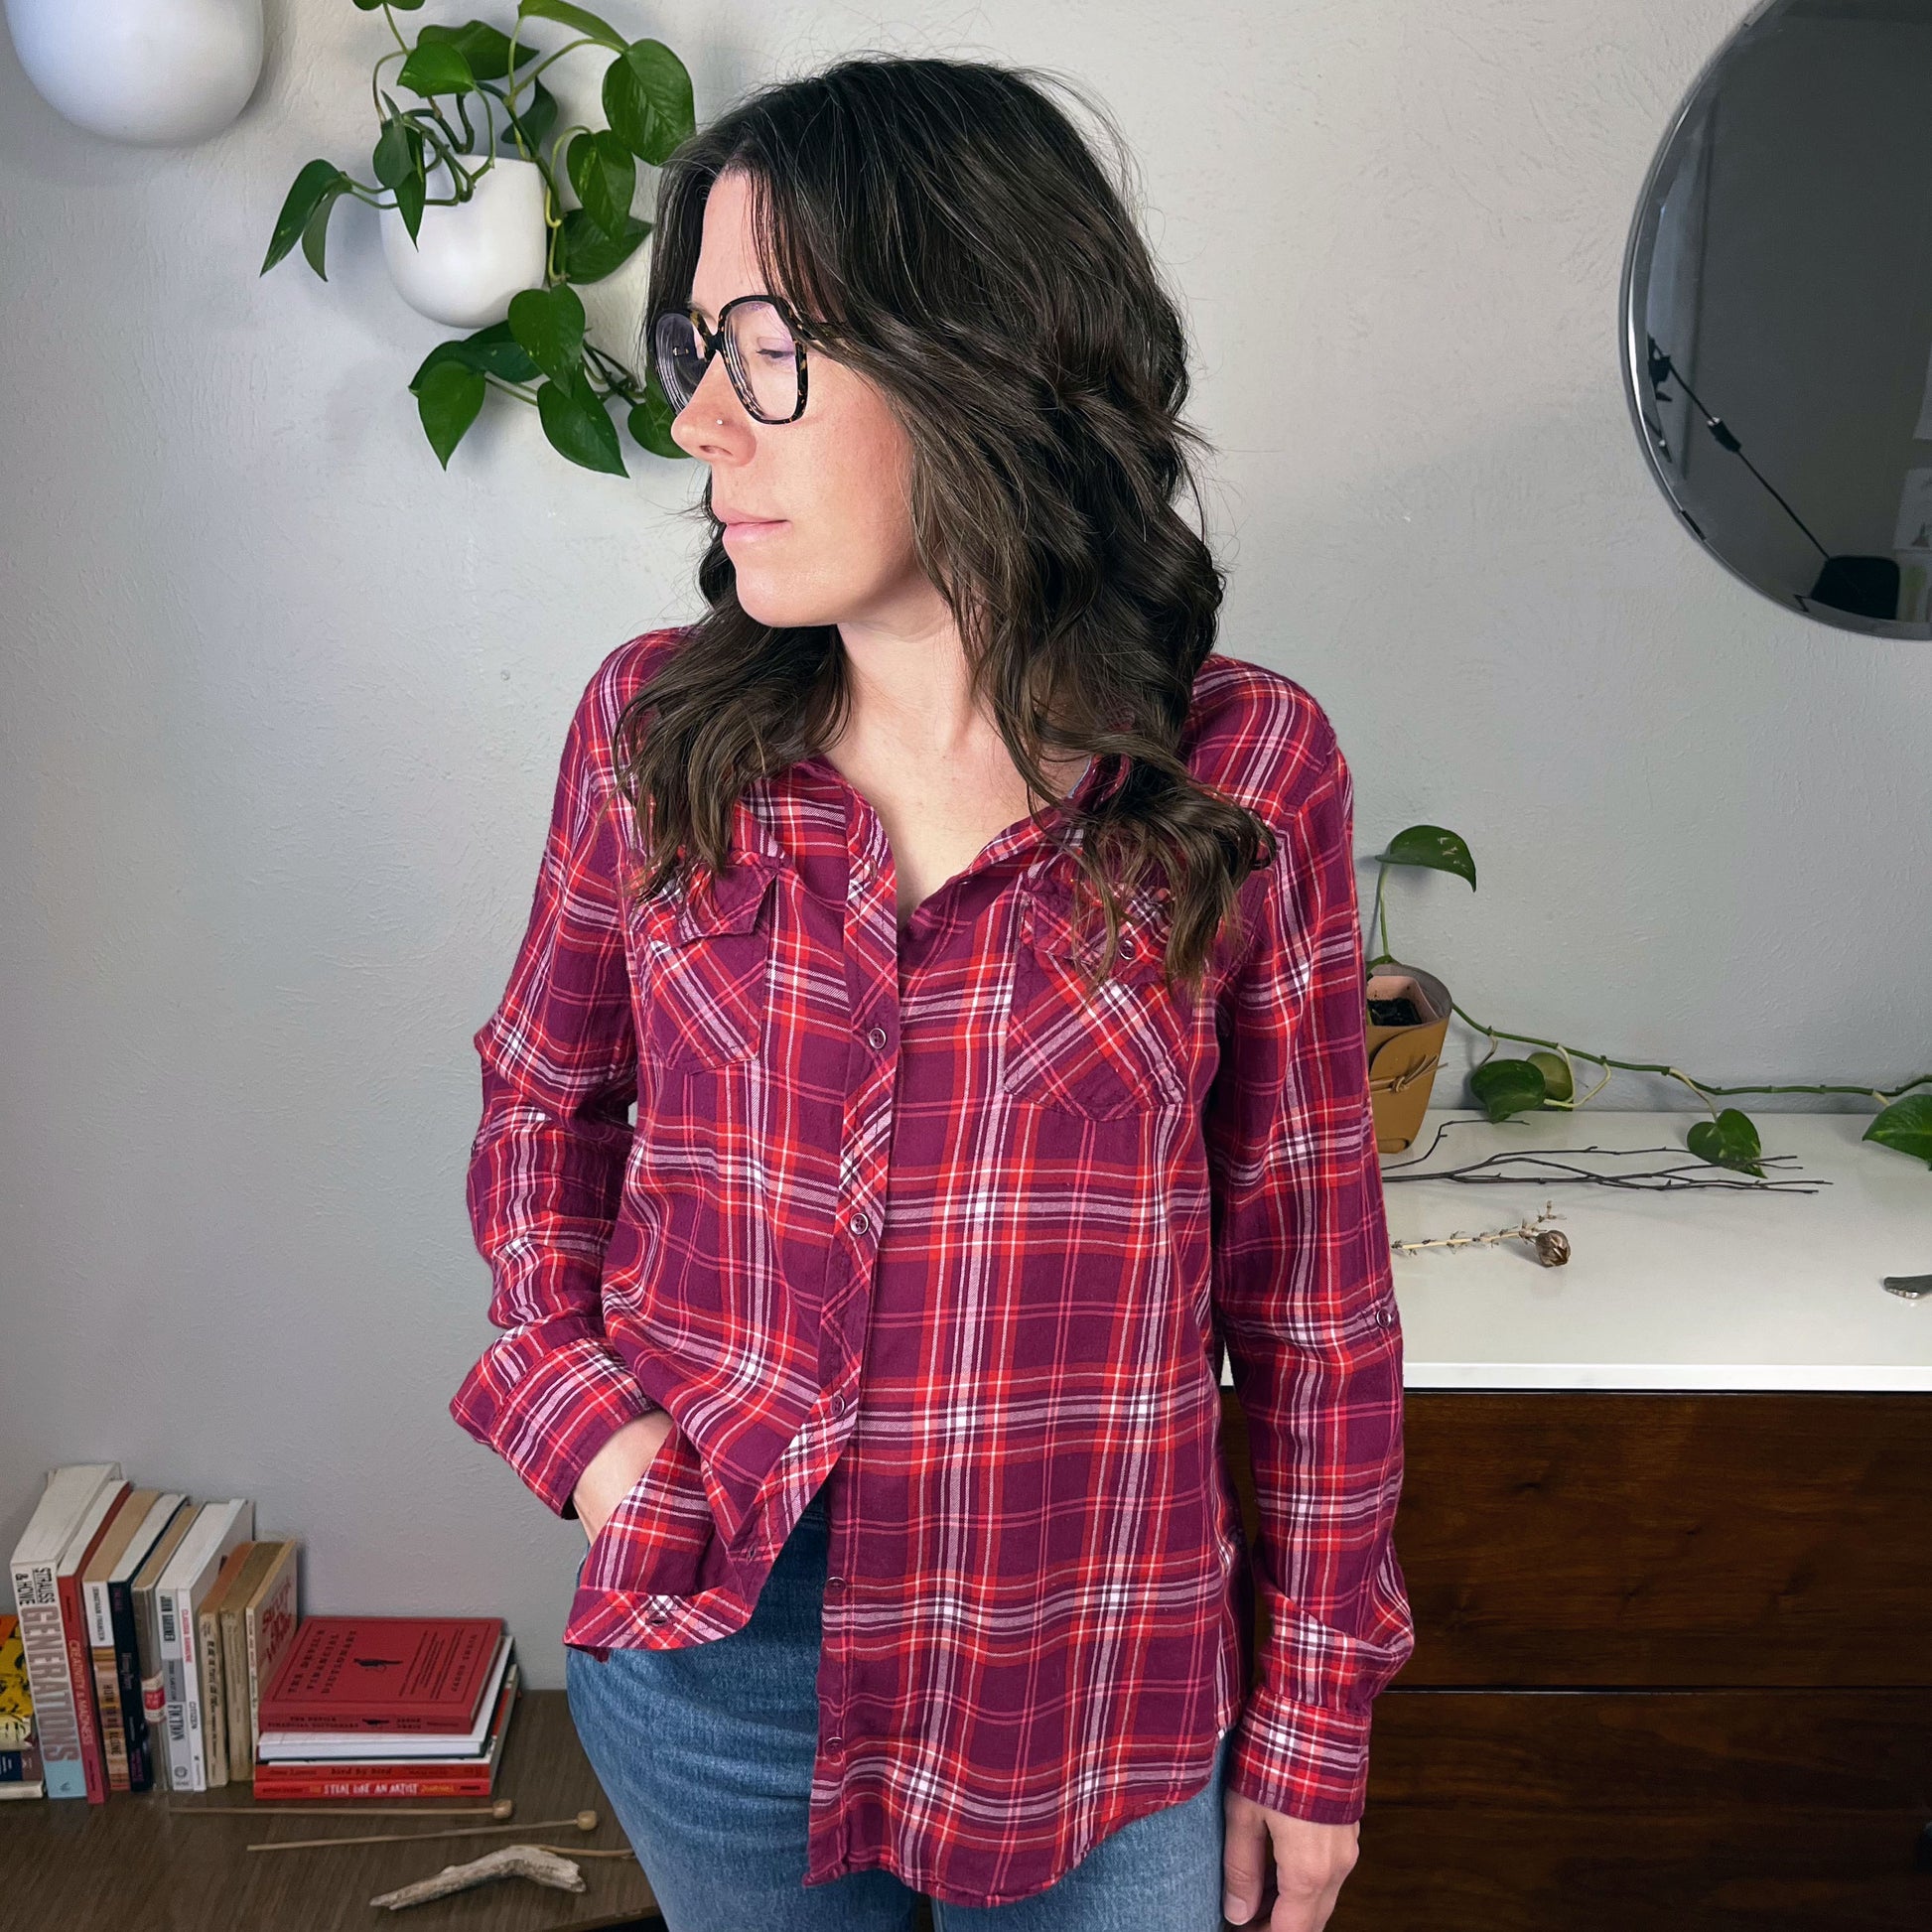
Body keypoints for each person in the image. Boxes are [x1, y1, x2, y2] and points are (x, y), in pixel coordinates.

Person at [450, 51, 1413, 1932]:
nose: (706, 425)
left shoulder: (1241, 772)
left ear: (978, 349)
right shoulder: (656, 736)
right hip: (717, 1654)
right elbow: (536, 1112)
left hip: (1095, 1696)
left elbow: (1312, 1300)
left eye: (770, 349)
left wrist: (1313, 1721)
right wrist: (595, 1440)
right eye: (693, 351)